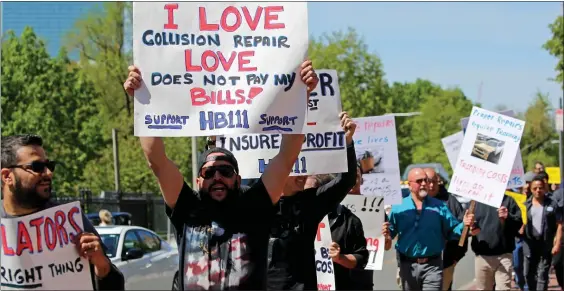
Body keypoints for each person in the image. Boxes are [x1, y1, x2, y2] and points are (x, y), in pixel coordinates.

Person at [124, 61, 319, 290]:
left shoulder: (256, 206)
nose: (217, 177)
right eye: (209, 172)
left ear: (237, 179)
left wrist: (299, 95)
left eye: (225, 171)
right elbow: (156, 161)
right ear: (199, 181)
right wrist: (142, 99)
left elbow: (287, 156)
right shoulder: (188, 208)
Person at [0, 134, 125, 290]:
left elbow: (114, 284)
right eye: (37, 167)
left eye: (49, 165)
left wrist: (101, 264)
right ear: (7, 177)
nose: (48, 173)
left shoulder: (70, 222)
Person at [266, 111, 358, 290]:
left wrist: (347, 142)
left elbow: (346, 181)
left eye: (305, 166)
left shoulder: (312, 202)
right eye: (296, 167)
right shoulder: (258, 201)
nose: (303, 173)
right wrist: (214, 143)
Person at [383, 168, 474, 291]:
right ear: (409, 185)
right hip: (407, 266)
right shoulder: (398, 208)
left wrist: (464, 225)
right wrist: (385, 235)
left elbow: (453, 231)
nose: (424, 184)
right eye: (419, 181)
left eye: (425, 180)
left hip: (433, 266)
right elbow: (390, 235)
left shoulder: (440, 206)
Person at [308, 171, 374, 290]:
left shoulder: (350, 221)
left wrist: (340, 258)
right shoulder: (298, 217)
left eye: (309, 192)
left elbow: (361, 259)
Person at [424, 168, 467, 291]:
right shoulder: (413, 203)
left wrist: (455, 257)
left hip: (445, 262)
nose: (431, 185)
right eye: (428, 181)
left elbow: (461, 229)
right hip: (417, 264)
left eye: (434, 181)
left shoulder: (450, 202)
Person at [470, 195, 522, 290]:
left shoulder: (508, 200)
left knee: (504, 289)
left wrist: (508, 217)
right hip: (482, 256)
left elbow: (519, 223)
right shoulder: (475, 202)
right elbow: (465, 225)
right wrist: (470, 228)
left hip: (504, 256)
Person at [522, 176, 562, 291]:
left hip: (546, 243)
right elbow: (518, 222)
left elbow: (560, 224)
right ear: (530, 188)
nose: (538, 190)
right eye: (535, 188)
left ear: (544, 188)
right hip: (529, 244)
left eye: (540, 188)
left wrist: (557, 243)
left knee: (542, 274)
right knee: (528, 274)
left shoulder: (552, 204)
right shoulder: (525, 205)